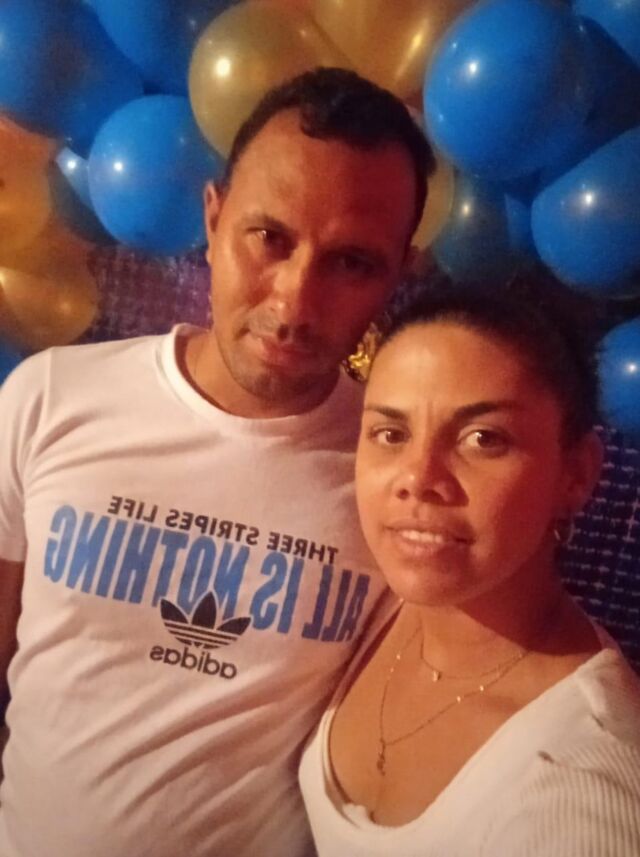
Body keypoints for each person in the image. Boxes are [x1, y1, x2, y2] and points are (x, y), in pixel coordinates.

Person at [0, 68, 435, 857]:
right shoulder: (47, 397)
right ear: (213, 216)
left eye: (351, 263)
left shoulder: (397, 479)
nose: (294, 301)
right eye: (270, 238)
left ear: (397, 276)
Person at [300, 275, 640, 855]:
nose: (417, 478)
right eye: (390, 432)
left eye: (483, 438)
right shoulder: (380, 599)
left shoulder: (583, 786)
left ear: (576, 473)